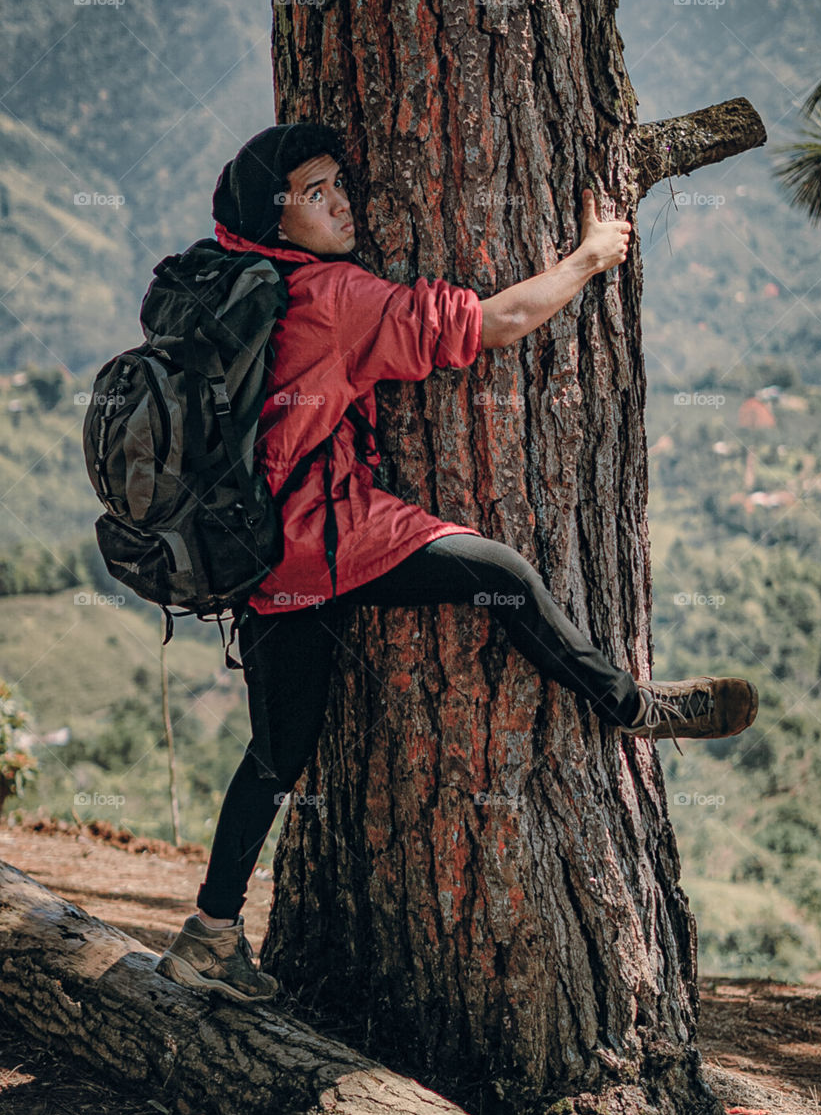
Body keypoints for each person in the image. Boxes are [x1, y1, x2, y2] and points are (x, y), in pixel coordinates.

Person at [154, 122, 758, 1005]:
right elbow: (497, 321)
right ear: (277, 219)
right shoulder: (334, 298)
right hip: (326, 535)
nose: (341, 203)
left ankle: (207, 935)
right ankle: (631, 707)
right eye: (315, 194)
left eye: (338, 184)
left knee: (277, 757)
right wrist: (592, 255)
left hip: (251, 555)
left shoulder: (229, 277)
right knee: (501, 576)